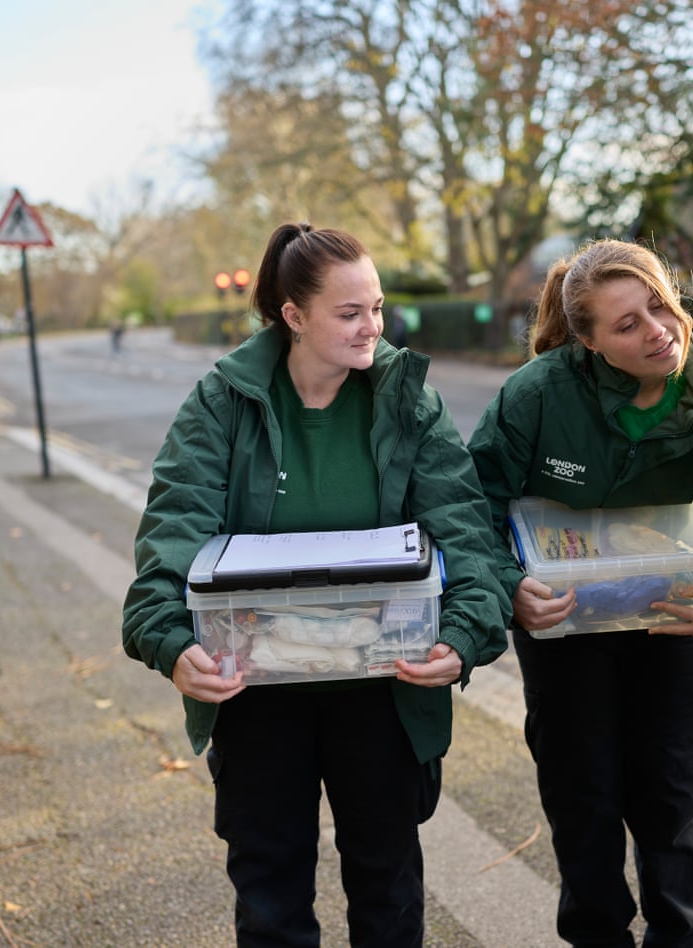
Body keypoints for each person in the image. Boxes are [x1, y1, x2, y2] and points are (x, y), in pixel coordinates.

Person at [122, 222, 510, 947]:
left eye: (378, 307)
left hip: (384, 688)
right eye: (350, 312)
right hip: (258, 694)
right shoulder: (222, 403)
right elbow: (170, 533)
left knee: (388, 893)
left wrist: (463, 636)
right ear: (293, 317)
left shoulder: (404, 398)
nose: (373, 327)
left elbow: (464, 529)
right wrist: (172, 643)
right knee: (270, 900)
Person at [467, 239, 693, 947]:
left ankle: (680, 935)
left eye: (661, 306)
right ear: (589, 341)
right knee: (583, 799)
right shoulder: (536, 395)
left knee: (669, 797)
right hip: (564, 623)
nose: (657, 330)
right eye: (627, 325)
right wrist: (511, 591)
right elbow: (472, 503)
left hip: (671, 618)